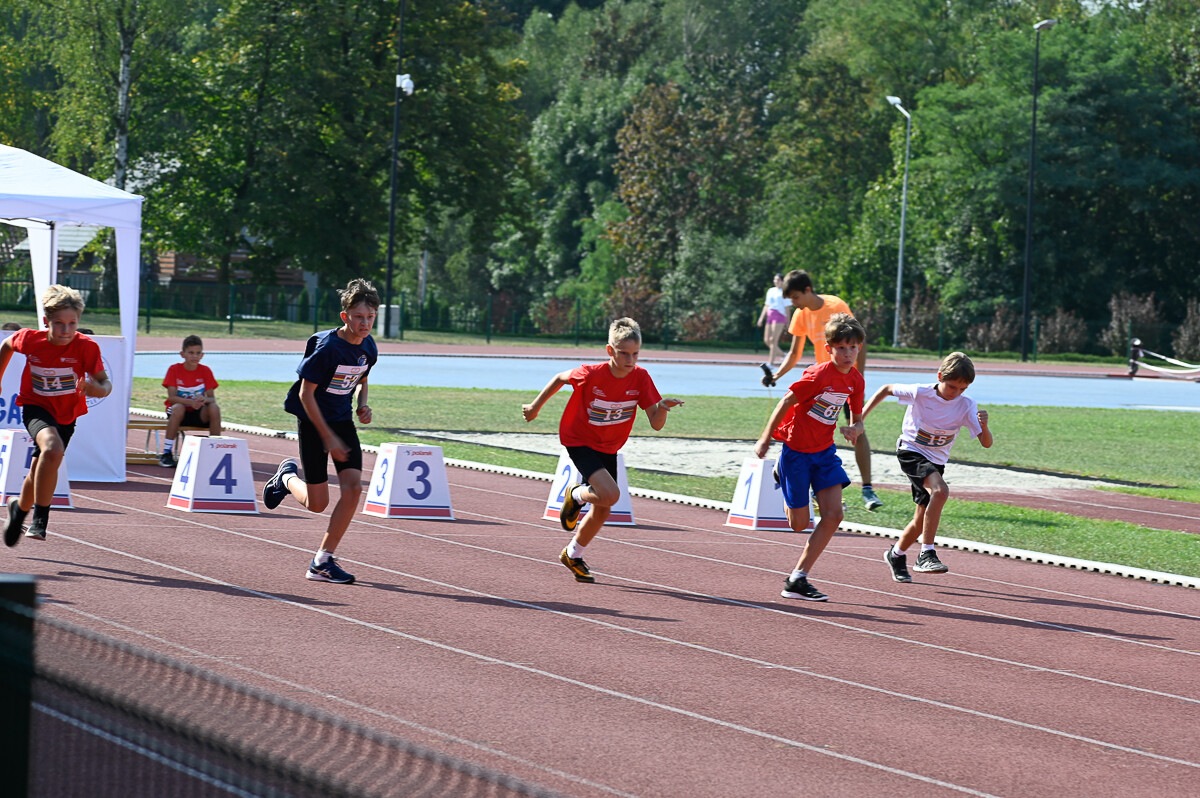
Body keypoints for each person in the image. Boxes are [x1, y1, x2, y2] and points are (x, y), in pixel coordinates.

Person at [522, 318, 683, 583]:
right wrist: (534, 407)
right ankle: (575, 494)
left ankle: (572, 554)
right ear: (610, 350)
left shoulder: (641, 377)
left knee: (604, 507)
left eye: (635, 354)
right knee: (610, 494)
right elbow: (560, 378)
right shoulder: (591, 373)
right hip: (579, 439)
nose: (630, 359)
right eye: (624, 353)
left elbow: (656, 423)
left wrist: (663, 408)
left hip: (608, 444)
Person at [261, 279, 379, 584]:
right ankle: (286, 479)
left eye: (370, 317)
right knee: (317, 504)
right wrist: (326, 436)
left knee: (353, 489)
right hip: (314, 422)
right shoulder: (328, 348)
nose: (365, 323)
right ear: (345, 317)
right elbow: (305, 394)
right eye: (358, 317)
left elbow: (362, 380)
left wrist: (362, 405)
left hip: (341, 421)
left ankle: (322, 561)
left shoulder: (369, 347)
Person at [754, 313, 865, 602]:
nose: (847, 353)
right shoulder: (817, 376)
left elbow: (857, 417)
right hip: (796, 453)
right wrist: (766, 438)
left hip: (825, 453)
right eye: (841, 348)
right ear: (829, 349)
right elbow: (785, 401)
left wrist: (854, 428)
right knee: (799, 524)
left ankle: (798, 578)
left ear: (859, 348)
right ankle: (782, 474)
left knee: (834, 515)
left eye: (852, 348)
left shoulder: (856, 380)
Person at [862, 352, 993, 582]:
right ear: (940, 376)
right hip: (911, 451)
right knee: (941, 491)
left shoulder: (966, 405)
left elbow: (986, 443)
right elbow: (886, 389)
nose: (955, 393)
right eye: (951, 387)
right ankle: (927, 553)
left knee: (921, 519)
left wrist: (985, 426)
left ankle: (896, 554)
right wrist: (859, 420)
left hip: (936, 461)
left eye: (962, 389)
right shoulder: (921, 392)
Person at [1, 285, 112, 546]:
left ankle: (19, 508)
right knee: (53, 449)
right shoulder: (31, 339)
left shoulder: (86, 347)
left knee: (41, 466)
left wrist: (94, 389)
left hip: (66, 414)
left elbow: (106, 384)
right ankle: (41, 519)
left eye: (72, 323)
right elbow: (6, 345)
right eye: (59, 323)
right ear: (46, 321)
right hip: (35, 406)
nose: (66, 330)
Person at [763, 270, 882, 512]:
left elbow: (857, 340)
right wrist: (776, 376)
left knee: (857, 427)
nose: (794, 303)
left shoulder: (835, 305)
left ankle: (867, 488)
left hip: (846, 380)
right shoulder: (800, 314)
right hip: (821, 383)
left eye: (796, 297)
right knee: (811, 431)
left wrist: (855, 379)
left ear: (807, 290)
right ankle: (810, 485)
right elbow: (794, 353)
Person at [159, 334, 222, 467]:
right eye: (191, 352)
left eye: (198, 353)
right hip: (179, 414)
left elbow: (212, 399)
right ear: (182, 354)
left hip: (199, 413)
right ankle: (166, 453)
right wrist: (191, 402)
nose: (194, 356)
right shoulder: (174, 369)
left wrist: (204, 399)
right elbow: (172, 398)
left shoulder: (205, 371)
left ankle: (216, 451)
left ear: (202, 355)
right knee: (178, 407)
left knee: (214, 408)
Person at [756, 273, 790, 367]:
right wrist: (761, 318)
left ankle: (771, 363)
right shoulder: (770, 290)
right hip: (770, 316)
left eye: (778, 280)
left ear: (782, 281)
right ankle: (784, 355)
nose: (776, 281)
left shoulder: (785, 292)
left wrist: (788, 323)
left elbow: (787, 309)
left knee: (773, 340)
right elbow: (766, 305)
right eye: (775, 279)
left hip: (779, 316)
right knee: (767, 340)